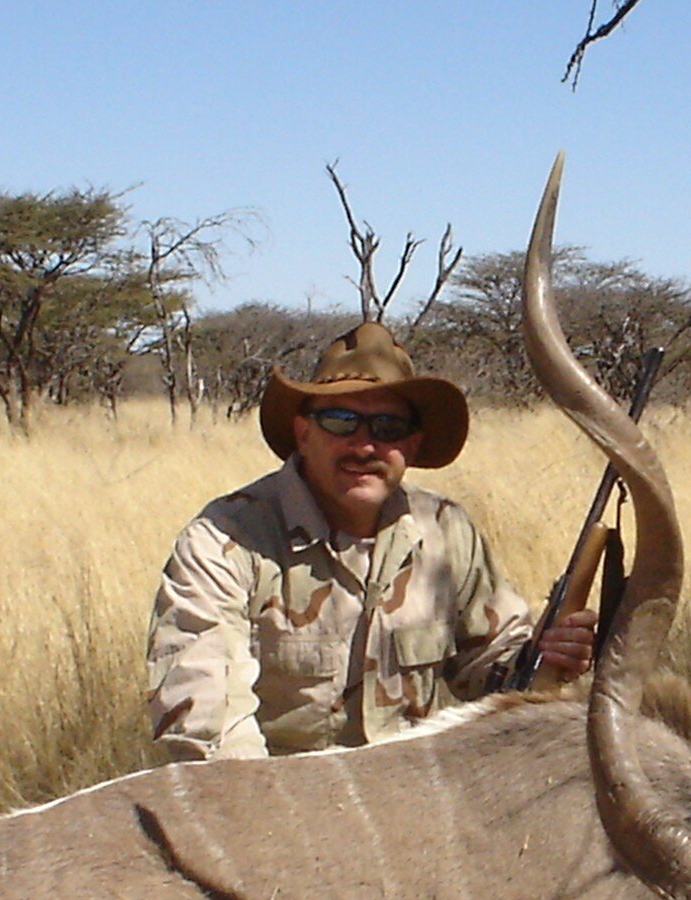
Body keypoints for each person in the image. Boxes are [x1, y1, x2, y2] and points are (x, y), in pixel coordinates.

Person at [146, 321, 596, 760]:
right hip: (277, 806)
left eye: (388, 427)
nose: (365, 446)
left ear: (412, 446)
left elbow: (492, 673)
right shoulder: (225, 539)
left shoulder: (447, 530)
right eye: (341, 421)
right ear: (303, 433)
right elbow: (205, 725)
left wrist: (544, 656)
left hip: (418, 795)